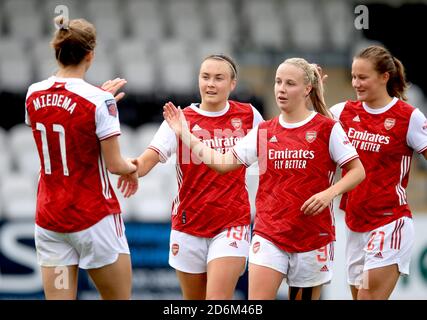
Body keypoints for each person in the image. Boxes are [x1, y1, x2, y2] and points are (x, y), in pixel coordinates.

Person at [162, 57, 366, 300]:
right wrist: (185, 135)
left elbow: (357, 171)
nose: (281, 88)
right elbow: (223, 163)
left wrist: (329, 194)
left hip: (312, 237)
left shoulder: (326, 128)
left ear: (307, 89)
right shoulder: (264, 131)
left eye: (290, 83)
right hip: (268, 235)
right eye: (278, 82)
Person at [118, 54, 264, 299]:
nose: (211, 84)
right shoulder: (179, 119)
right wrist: (131, 168)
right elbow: (146, 161)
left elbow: (268, 163)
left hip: (231, 222)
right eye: (205, 77)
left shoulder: (250, 116)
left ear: (232, 83)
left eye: (219, 78)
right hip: (188, 224)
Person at [25, 15, 138, 300]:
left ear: (57, 51)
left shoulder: (32, 94)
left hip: (51, 222)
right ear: (90, 55)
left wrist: (98, 97)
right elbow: (115, 165)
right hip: (94, 221)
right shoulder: (99, 102)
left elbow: (62, 119)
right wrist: (133, 167)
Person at [329, 45, 427, 300]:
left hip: (389, 221)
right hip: (354, 222)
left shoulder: (408, 117)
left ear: (385, 77)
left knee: (367, 296)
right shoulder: (342, 113)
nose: (356, 83)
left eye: (363, 77)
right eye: (353, 76)